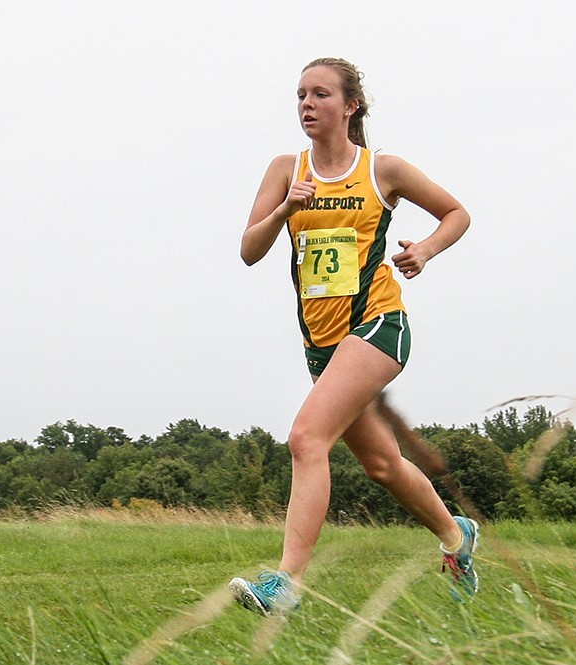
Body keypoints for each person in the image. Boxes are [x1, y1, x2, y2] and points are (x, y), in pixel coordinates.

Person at [229, 57, 476, 616]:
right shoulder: (285, 170)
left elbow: (456, 213)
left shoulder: (383, 170)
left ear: (350, 106)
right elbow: (248, 250)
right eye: (300, 95)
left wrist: (425, 250)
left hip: (378, 323)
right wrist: (285, 208)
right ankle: (456, 535)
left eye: (320, 94)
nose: (307, 105)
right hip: (322, 343)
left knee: (306, 438)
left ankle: (285, 586)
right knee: (382, 466)